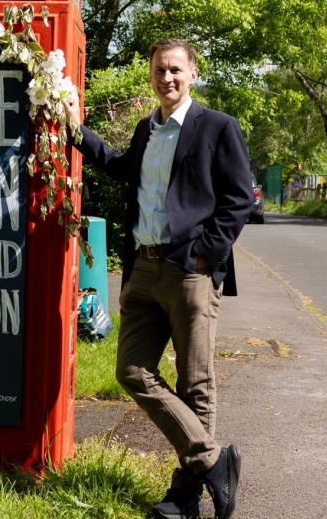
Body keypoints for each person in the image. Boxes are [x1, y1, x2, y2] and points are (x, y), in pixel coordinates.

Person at [66, 39, 253, 519]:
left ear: (192, 73)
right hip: (143, 269)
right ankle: (213, 462)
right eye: (159, 72)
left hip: (189, 270)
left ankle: (185, 498)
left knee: (196, 384)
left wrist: (205, 255)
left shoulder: (217, 127)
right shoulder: (147, 128)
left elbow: (237, 200)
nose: (166, 78)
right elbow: (121, 169)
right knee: (132, 371)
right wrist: (74, 128)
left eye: (175, 70)